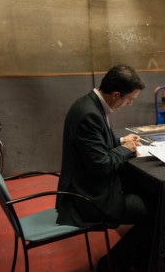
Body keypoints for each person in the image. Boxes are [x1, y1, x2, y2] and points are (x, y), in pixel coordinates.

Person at [55, 64, 151, 271]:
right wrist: (126, 148)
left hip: (85, 184)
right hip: (86, 198)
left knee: (144, 192)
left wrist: (120, 140)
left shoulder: (90, 104)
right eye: (129, 99)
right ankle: (115, 263)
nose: (130, 104)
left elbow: (95, 144)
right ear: (116, 95)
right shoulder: (89, 114)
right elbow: (102, 165)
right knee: (154, 212)